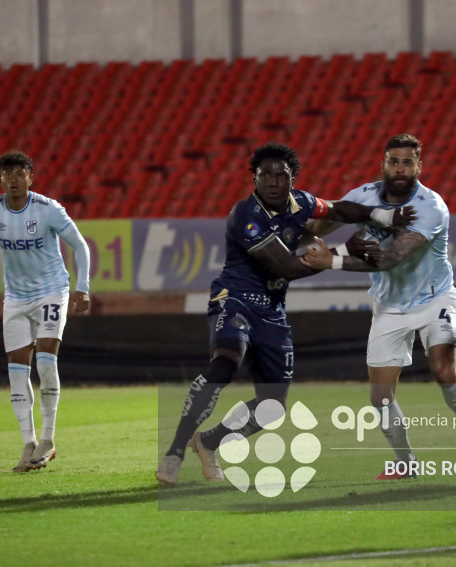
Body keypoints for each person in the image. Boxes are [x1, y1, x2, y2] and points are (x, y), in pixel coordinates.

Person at [155, 142, 415, 485]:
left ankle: (208, 441)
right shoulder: (246, 216)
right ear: (255, 179)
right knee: (225, 362)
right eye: (266, 175)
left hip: (273, 310)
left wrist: (382, 216)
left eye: (281, 174)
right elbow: (285, 266)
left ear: (292, 178)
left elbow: (339, 209)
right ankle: (174, 452)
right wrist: (340, 250)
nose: (274, 181)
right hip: (235, 299)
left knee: (273, 406)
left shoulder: (302, 202)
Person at [302, 133, 456, 479]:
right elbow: (325, 221)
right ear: (384, 164)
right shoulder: (362, 195)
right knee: (380, 398)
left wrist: (330, 262)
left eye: (408, 162)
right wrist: (296, 232)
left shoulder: (429, 207)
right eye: (395, 161)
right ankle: (405, 462)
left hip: (435, 298)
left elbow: (391, 259)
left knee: (443, 369)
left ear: (420, 166)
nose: (401, 168)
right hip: (389, 305)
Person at [0, 150, 91, 473]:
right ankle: (28, 443)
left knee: (45, 359)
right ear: (0, 179)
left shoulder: (47, 210)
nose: (14, 178)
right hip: (16, 298)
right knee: (16, 371)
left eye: (20, 172)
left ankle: (49, 439)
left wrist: (84, 286)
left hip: (52, 291)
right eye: (7, 173)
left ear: (30, 178)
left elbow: (80, 245)